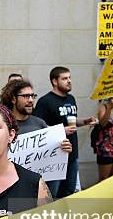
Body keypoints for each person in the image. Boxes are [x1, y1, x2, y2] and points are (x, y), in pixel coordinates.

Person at [0, 79, 73, 195]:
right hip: (12, 189)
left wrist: (64, 147)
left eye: (33, 96)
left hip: (40, 189)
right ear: (13, 98)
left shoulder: (40, 123)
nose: (31, 100)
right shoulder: (2, 125)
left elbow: (52, 152)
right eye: (26, 96)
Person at [34, 66, 97, 198]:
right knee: (52, 194)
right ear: (55, 81)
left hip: (72, 154)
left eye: (69, 78)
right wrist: (60, 130)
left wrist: (85, 121)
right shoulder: (45, 102)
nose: (69, 81)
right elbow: (38, 128)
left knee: (69, 192)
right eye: (64, 78)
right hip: (54, 156)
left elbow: (71, 121)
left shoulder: (71, 99)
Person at [94, 94, 113, 181]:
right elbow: (103, 123)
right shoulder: (105, 107)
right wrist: (110, 107)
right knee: (104, 179)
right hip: (106, 149)